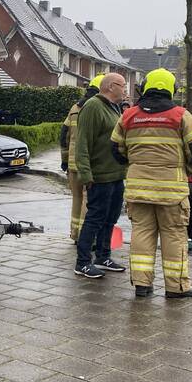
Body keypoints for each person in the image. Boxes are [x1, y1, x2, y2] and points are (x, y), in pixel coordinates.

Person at [112, 69, 192, 299]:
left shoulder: (129, 116)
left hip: (138, 188)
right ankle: (177, 287)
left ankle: (141, 285)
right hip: (172, 192)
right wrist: (188, 169)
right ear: (171, 89)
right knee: (173, 235)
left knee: (142, 233)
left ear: (145, 87)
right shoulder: (181, 116)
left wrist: (134, 164)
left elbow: (116, 149)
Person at [74, 73, 128, 279]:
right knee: (94, 219)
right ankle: (82, 262)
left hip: (116, 175)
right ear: (111, 86)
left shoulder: (114, 107)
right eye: (122, 85)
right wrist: (86, 174)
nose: (125, 89)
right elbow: (82, 143)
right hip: (100, 176)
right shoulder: (93, 107)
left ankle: (103, 256)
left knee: (111, 218)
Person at [60, 76, 102, 241]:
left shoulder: (75, 108)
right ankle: (87, 238)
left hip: (73, 163)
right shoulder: (100, 108)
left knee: (77, 198)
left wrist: (64, 160)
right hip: (91, 164)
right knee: (88, 199)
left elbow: (64, 135)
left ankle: (75, 233)